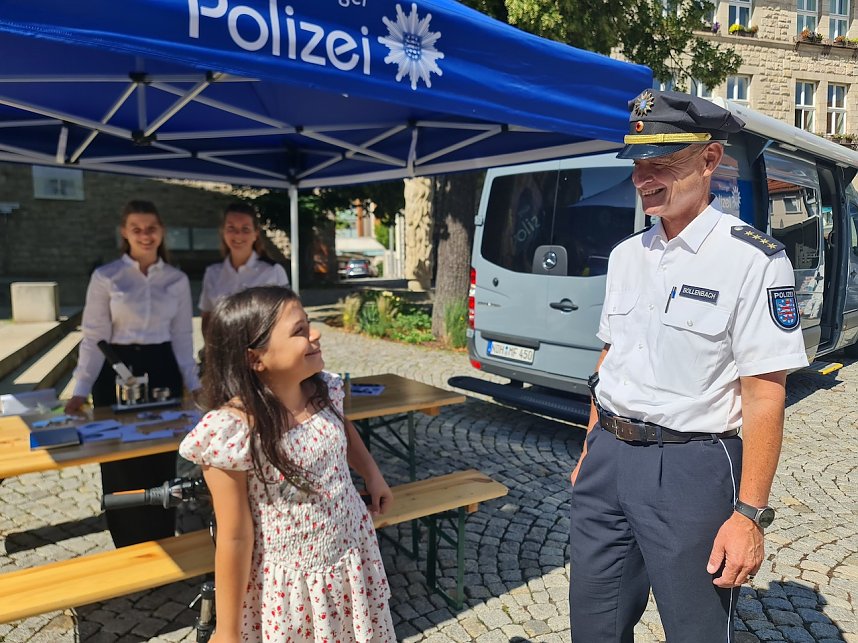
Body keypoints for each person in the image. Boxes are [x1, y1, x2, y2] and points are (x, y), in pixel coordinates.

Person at [568, 90, 809, 643]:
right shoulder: (628, 255)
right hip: (608, 456)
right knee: (594, 626)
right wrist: (589, 451)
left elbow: (765, 393)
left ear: (709, 159)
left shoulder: (753, 260)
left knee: (695, 631)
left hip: (690, 468)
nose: (643, 179)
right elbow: (610, 361)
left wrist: (749, 514)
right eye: (637, 164)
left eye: (663, 164)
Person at [179, 286, 396, 643]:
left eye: (308, 324)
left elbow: (341, 426)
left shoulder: (323, 388)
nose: (315, 334)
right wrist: (227, 630)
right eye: (299, 330)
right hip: (292, 590)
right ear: (255, 358)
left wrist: (372, 474)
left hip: (349, 556)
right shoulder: (233, 430)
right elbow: (234, 535)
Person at [65, 199, 201, 547]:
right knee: (119, 458)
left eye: (151, 228)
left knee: (159, 456)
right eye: (136, 229)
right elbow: (93, 337)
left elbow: (183, 337)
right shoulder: (106, 277)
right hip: (116, 370)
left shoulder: (177, 279)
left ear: (161, 232)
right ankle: (127, 542)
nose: (145, 235)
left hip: (161, 368)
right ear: (124, 232)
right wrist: (80, 390)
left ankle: (161, 537)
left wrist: (194, 383)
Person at [198, 202, 289, 339]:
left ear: (255, 234)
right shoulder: (213, 273)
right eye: (231, 228)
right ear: (223, 232)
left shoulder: (272, 271)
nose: (238, 235)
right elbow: (207, 317)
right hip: (224, 352)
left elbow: (287, 315)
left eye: (245, 229)